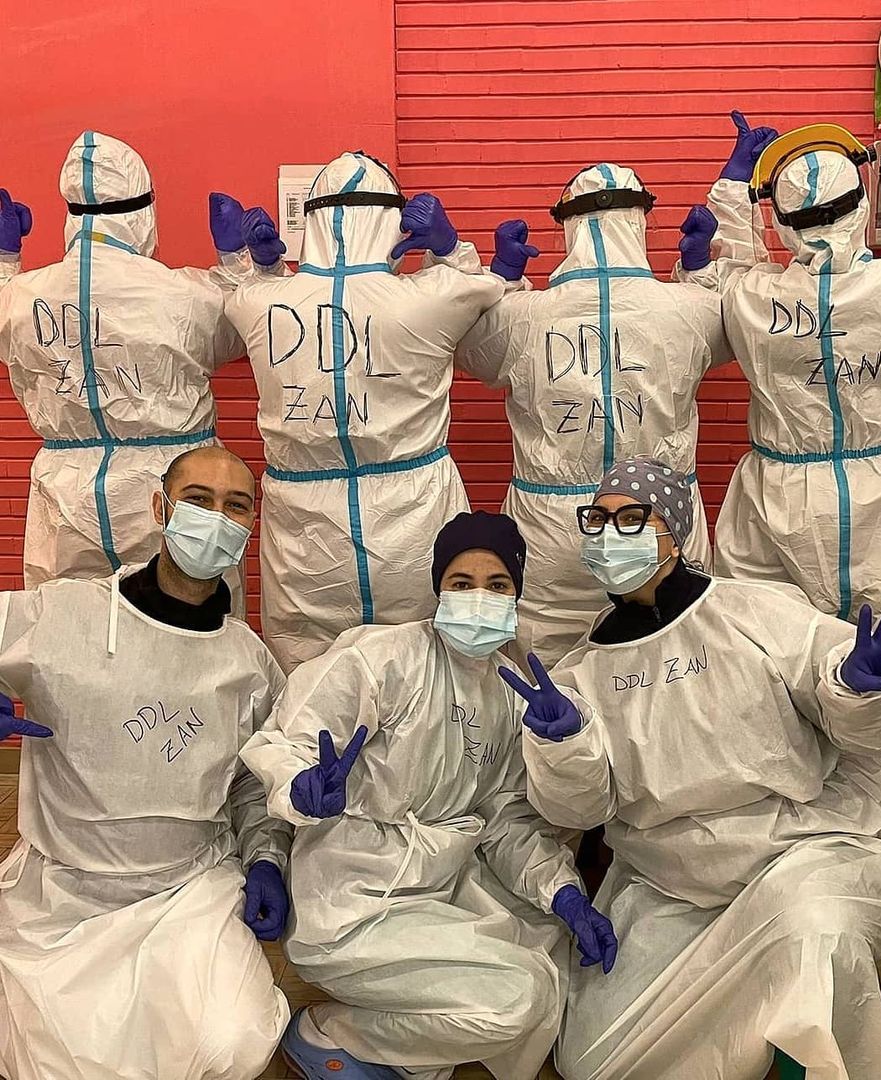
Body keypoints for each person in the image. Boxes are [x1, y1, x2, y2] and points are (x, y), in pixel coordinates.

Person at [498, 456, 881, 1080]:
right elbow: (580, 810)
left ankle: (805, 1057)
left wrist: (857, 688)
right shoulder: (579, 674)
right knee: (593, 1060)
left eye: (631, 518)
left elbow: (857, 715)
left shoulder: (754, 611)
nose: (609, 534)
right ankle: (768, 1037)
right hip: (671, 881)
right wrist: (565, 746)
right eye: (598, 519)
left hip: (804, 845)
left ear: (674, 534)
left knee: (810, 939)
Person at [241, 510, 614, 1080]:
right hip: (352, 895)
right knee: (519, 999)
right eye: (462, 583)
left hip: (440, 880)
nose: (478, 599)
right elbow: (287, 743)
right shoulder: (381, 658)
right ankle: (329, 1032)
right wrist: (301, 789)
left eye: (497, 585)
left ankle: (412, 1055)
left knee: (552, 968)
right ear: (438, 587)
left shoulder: (510, 693)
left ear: (518, 596)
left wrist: (564, 894)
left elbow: (506, 822)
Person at [677, 51, 881, 622]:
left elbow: (714, 277)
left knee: (773, 644)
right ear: (862, 203)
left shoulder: (750, 297)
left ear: (783, 223)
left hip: (779, 498)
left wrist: (733, 192)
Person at [0, 444, 291, 1080]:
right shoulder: (61, 614)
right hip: (64, 895)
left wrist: (267, 858)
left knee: (233, 1043)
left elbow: (252, 785)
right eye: (198, 500)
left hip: (188, 891)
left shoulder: (249, 662)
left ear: (251, 526)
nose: (216, 519)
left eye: (236, 506)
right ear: (161, 508)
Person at [455, 119, 776, 666]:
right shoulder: (687, 310)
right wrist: (702, 264)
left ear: (566, 227)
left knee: (549, 665)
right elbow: (747, 313)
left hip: (551, 526)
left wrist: (503, 278)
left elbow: (462, 342)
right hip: (657, 521)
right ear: (641, 222)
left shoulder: (521, 317)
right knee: (668, 656)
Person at [225, 152, 505, 672]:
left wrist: (265, 268)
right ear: (392, 223)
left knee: (306, 670)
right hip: (412, 512)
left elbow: (238, 296)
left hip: (305, 528)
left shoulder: (258, 301)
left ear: (310, 221)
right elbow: (488, 290)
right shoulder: (427, 299)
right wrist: (448, 248)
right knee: (427, 662)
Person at [0, 131, 268, 611]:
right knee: (188, 621)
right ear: (144, 209)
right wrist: (238, 263)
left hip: (67, 491)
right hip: (170, 485)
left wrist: (5, 262)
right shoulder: (184, 295)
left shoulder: (21, 297)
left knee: (65, 623)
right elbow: (247, 325)